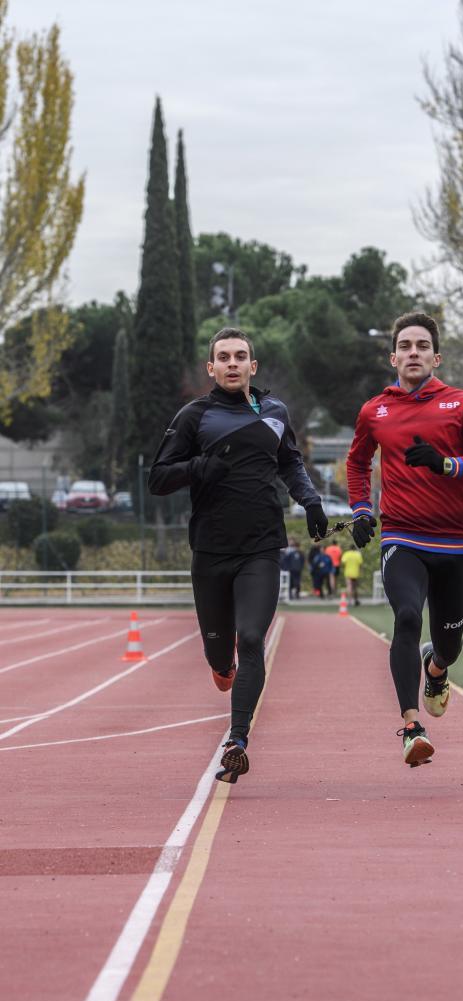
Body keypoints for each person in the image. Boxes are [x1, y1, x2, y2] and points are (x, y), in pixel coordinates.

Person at [148, 326, 327, 783]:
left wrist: (311, 502)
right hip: (210, 550)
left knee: (251, 638)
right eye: (223, 357)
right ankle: (221, 665)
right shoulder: (194, 416)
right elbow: (159, 478)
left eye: (240, 356)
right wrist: (198, 467)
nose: (232, 363)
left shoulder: (275, 412)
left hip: (262, 547)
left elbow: (290, 462)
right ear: (211, 368)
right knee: (220, 658)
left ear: (253, 366)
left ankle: (238, 739)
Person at [346, 310, 463, 767]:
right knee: (408, 617)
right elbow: (357, 464)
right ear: (392, 357)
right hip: (402, 537)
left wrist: (446, 463)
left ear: (436, 357)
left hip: (453, 544)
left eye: (421, 346)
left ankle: (436, 668)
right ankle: (412, 726)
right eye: (405, 346)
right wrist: (360, 509)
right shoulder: (374, 411)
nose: (413, 353)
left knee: (449, 644)